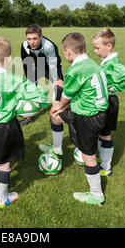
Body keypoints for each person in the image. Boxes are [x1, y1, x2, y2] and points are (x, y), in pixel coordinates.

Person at [0, 37, 49, 208]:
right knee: (5, 162)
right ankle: (2, 198)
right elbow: (41, 96)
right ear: (8, 58)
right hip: (5, 127)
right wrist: (36, 107)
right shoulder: (15, 80)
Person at [50, 32, 108, 206]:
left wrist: (58, 105)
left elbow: (66, 97)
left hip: (87, 117)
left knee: (88, 157)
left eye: (63, 52)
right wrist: (60, 110)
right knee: (56, 118)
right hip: (98, 113)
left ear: (68, 52)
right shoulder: (91, 63)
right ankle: (57, 149)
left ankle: (97, 195)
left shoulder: (76, 69)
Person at [91, 28, 125, 176]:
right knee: (100, 132)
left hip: (110, 103)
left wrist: (113, 87)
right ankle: (101, 157)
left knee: (105, 134)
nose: (95, 51)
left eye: (97, 48)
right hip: (102, 101)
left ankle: (106, 167)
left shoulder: (113, 63)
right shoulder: (106, 61)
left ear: (109, 46)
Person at [21, 24, 65, 156]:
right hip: (35, 65)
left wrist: (56, 79)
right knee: (29, 88)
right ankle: (29, 116)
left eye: (35, 38)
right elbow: (26, 63)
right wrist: (31, 83)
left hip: (51, 65)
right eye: (29, 39)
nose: (31, 42)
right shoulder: (24, 45)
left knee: (58, 86)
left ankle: (57, 111)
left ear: (41, 36)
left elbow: (53, 64)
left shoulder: (49, 46)